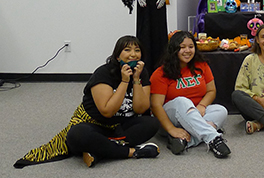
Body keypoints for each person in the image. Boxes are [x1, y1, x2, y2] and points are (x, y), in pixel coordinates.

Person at [14, 36, 160, 169]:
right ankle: (131, 152)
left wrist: (136, 80)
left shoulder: (142, 73)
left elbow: (140, 109)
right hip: (94, 124)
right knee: (77, 135)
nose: (133, 54)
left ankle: (100, 151)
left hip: (119, 127)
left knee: (152, 124)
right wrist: (124, 81)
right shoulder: (103, 73)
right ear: (117, 55)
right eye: (127, 50)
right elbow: (107, 111)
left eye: (137, 50)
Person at [150, 31, 230, 158]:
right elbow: (155, 106)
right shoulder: (161, 73)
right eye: (182, 47)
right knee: (182, 101)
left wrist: (202, 105)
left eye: (191, 47)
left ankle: (185, 141)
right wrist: (171, 129)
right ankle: (214, 138)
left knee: (221, 110)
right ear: (173, 49)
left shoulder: (202, 65)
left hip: (196, 113)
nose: (187, 50)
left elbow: (211, 91)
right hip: (170, 117)